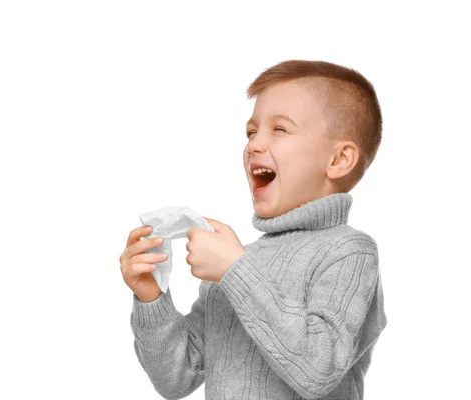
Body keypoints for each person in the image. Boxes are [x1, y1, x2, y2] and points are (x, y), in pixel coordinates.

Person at [120, 59, 387, 399]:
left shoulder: (350, 252)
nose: (253, 145)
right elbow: (176, 379)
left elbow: (317, 372)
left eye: (280, 129)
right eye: (251, 132)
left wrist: (235, 270)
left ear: (337, 160)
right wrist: (151, 296)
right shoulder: (240, 262)